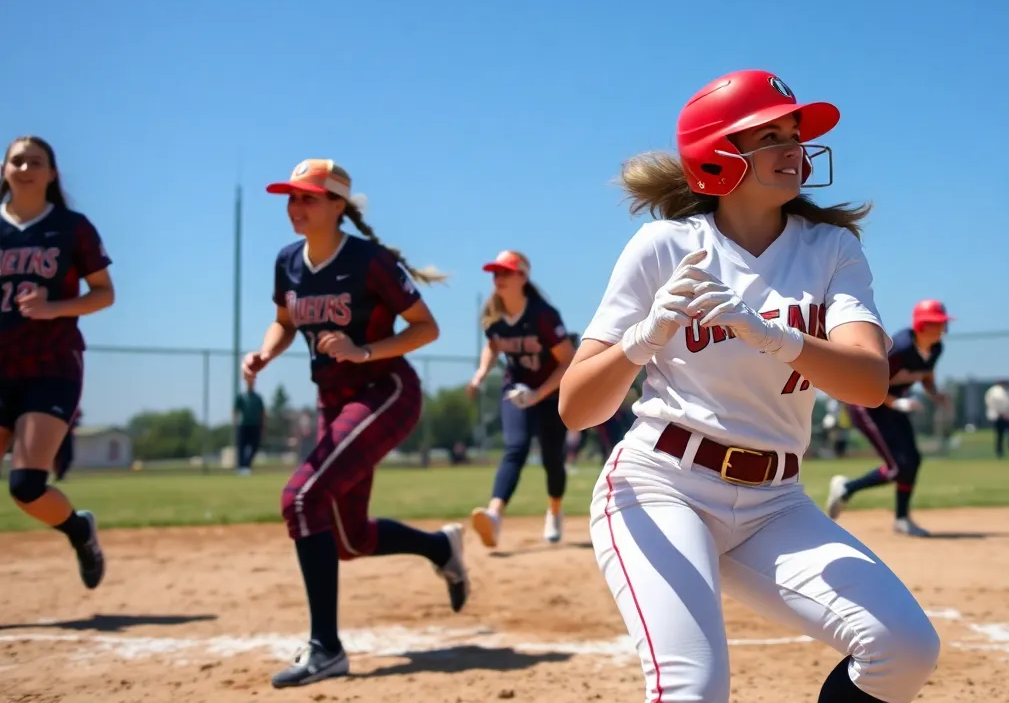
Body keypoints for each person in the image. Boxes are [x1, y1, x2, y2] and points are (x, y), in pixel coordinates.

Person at [559, 70, 939, 703]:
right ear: (717, 156)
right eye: (769, 135)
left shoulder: (830, 249)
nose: (794, 146)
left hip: (776, 501)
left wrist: (772, 334)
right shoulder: (664, 247)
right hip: (662, 485)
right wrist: (643, 339)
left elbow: (870, 382)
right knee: (694, 689)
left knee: (904, 649)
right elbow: (577, 407)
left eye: (794, 132)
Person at [243, 159, 470, 688]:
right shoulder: (287, 262)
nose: (295, 207)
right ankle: (442, 549)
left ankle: (326, 649)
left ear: (338, 205)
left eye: (308, 198)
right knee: (349, 540)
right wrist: (265, 354)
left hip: (385, 392)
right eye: (291, 198)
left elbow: (425, 328)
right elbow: (283, 322)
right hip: (334, 400)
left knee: (300, 500)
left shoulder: (368, 262)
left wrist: (363, 350)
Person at [0, 136, 112, 590]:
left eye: (36, 161)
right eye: (17, 160)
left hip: (50, 365)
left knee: (26, 485)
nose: (26, 167)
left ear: (52, 174)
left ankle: (79, 530)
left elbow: (105, 294)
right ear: (4, 170)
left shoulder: (71, 227)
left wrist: (54, 308)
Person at [466, 250, 575, 546]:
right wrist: (480, 373)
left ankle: (554, 512)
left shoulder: (543, 315)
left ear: (522, 277)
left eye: (505, 272)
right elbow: (493, 346)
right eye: (495, 273)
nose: (497, 278)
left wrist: (539, 394)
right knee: (516, 447)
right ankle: (494, 515)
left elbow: (568, 361)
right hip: (515, 390)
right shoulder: (494, 315)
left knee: (553, 460)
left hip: (550, 393)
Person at [825, 299, 953, 537]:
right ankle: (846, 487)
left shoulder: (936, 348)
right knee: (898, 467)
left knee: (912, 460)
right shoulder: (900, 349)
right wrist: (897, 402)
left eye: (943, 323)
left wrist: (935, 394)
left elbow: (926, 374)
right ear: (922, 325)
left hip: (892, 405)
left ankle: (902, 519)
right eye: (937, 324)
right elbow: (869, 381)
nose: (943, 329)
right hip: (865, 404)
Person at [233, 375, 265, 475]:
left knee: (254, 446)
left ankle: (247, 465)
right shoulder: (241, 396)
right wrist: (235, 423)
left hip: (255, 425)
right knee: (241, 446)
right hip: (243, 425)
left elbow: (262, 413)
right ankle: (241, 467)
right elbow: (235, 411)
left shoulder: (258, 398)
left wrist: (263, 425)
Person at [983, 379, 1009, 458]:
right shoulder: (993, 391)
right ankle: (999, 453)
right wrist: (999, 413)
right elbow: (990, 403)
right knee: (999, 436)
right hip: (997, 416)